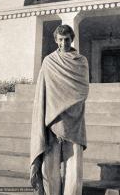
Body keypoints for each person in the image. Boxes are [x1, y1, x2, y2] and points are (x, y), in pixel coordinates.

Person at [30, 24, 89, 195]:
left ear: (72, 40)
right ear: (56, 40)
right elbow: (43, 90)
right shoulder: (49, 61)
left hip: (73, 119)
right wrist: (52, 112)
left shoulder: (81, 61)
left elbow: (82, 90)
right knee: (50, 168)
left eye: (67, 40)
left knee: (74, 168)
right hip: (52, 120)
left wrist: (62, 105)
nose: (64, 43)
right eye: (61, 40)